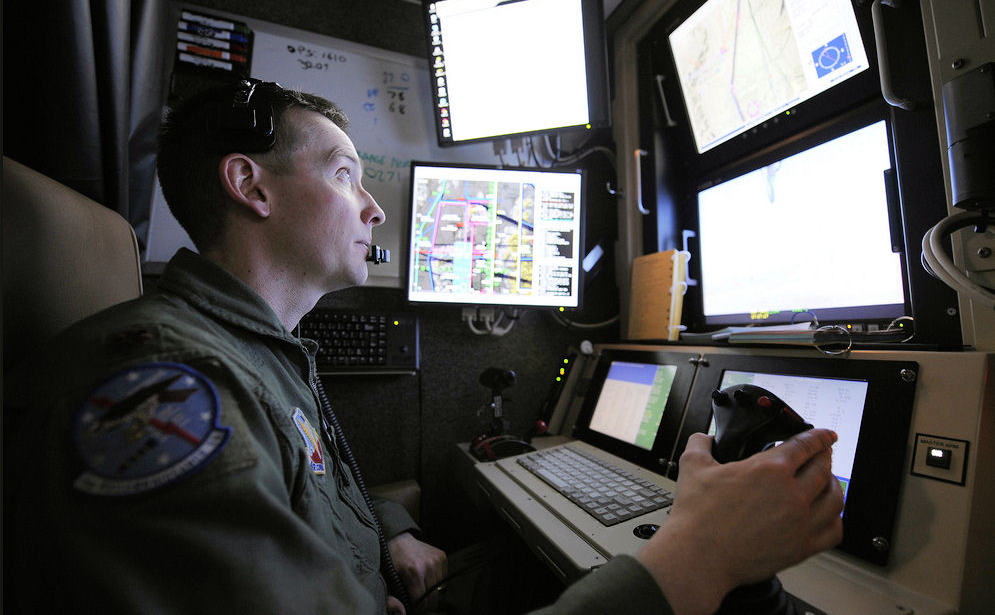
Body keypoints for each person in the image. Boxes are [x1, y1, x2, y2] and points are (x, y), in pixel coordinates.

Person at [4, 79, 843, 615]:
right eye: (344, 174)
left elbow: (312, 488)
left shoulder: (259, 350)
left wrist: (392, 532)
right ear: (248, 184)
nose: (374, 209)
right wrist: (699, 554)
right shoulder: (168, 382)